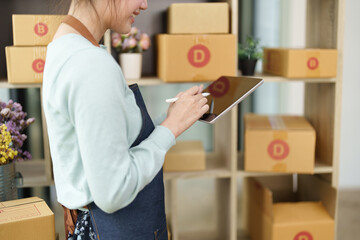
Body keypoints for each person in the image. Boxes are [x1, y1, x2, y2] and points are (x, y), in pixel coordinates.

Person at [42, 0, 209, 239]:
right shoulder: (92, 64)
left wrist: (174, 118)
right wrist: (169, 130)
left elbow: (107, 142)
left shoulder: (64, 44)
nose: (144, 4)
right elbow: (113, 192)